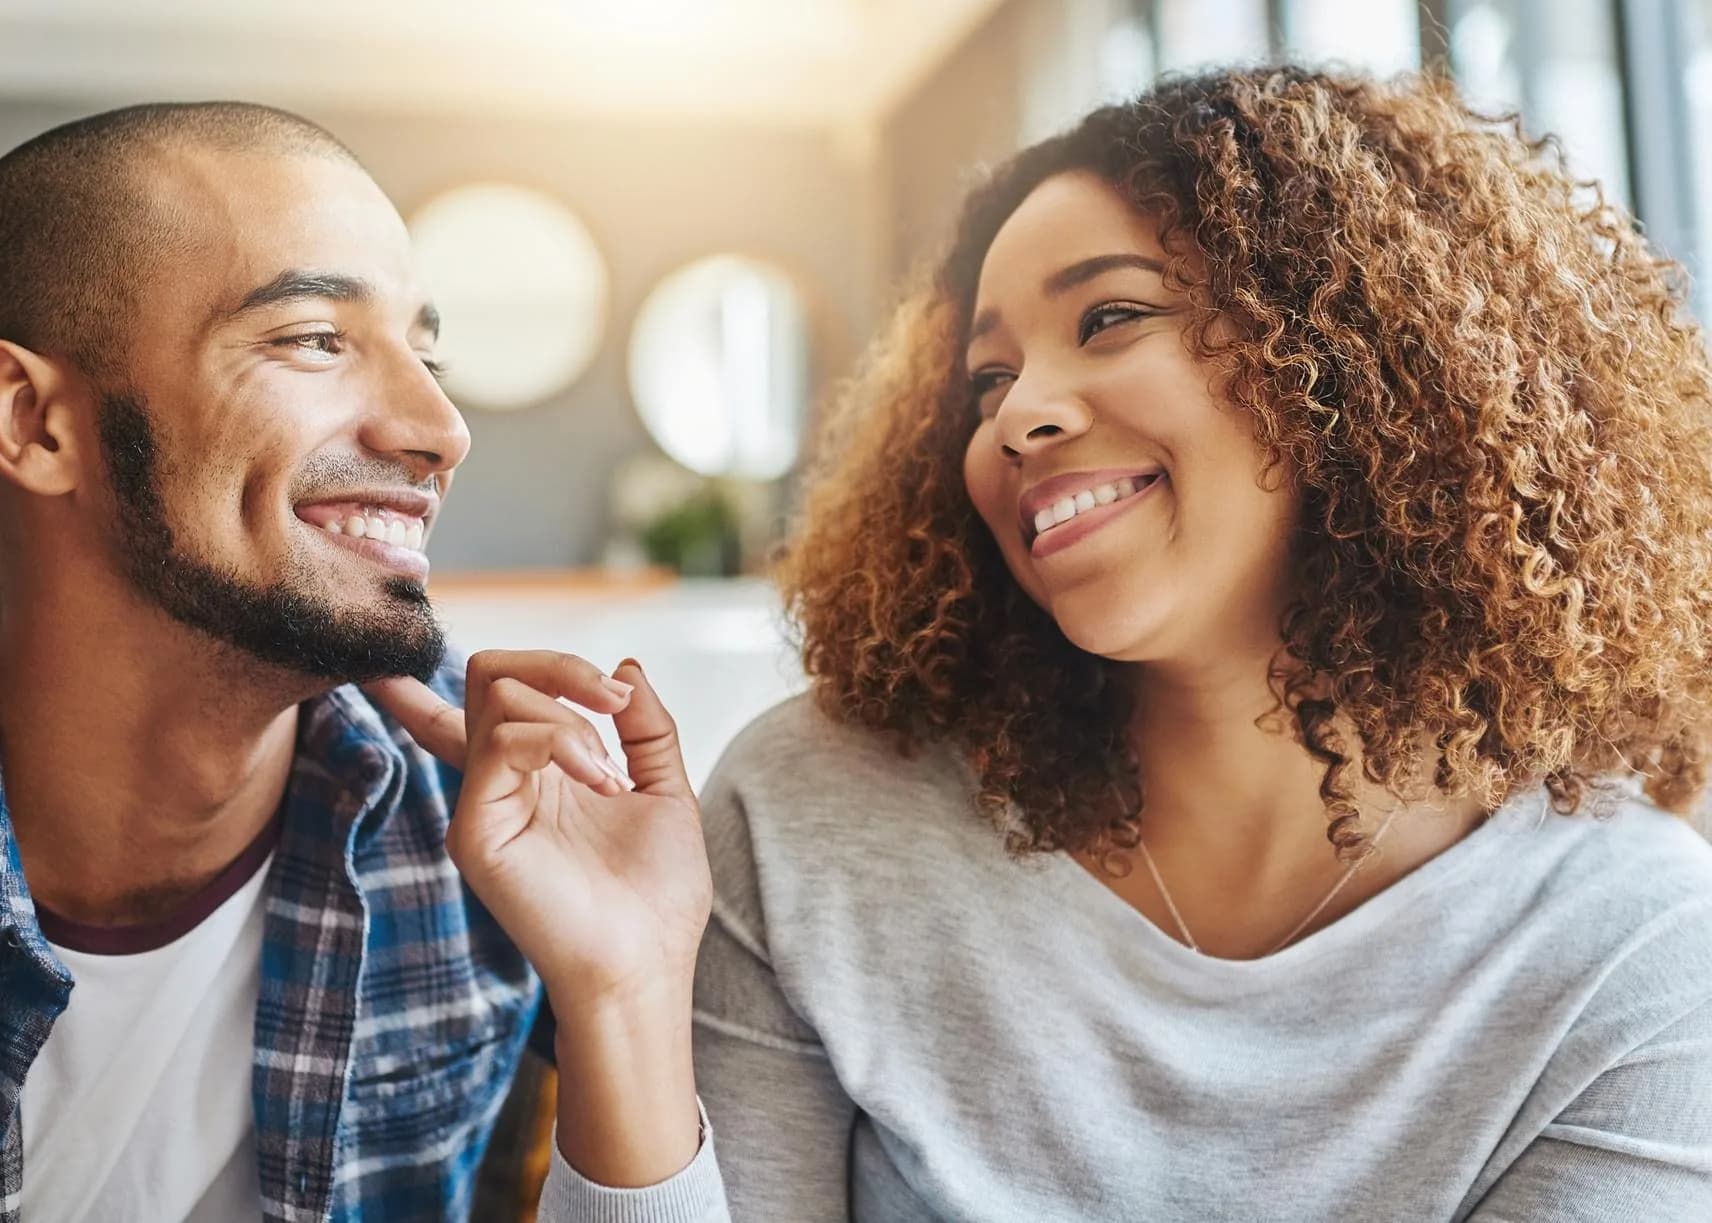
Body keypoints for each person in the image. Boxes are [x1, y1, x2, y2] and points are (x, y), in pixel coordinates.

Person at [551, 66, 1712, 1220]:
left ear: (1362, 359)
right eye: (988, 377)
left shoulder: (1634, 949)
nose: (1014, 414)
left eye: (1108, 317)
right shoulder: (814, 812)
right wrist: (620, 999)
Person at [0, 102, 715, 1222]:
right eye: (314, 339)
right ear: (35, 420)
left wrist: (623, 991)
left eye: (425, 355)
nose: (439, 426)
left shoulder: (505, 805)